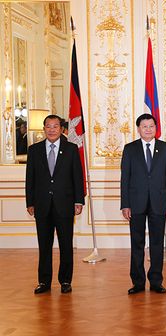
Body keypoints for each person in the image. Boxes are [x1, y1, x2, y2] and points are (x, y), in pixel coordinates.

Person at [25, 115, 84, 294]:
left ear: (62, 129)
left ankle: (65, 281)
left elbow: (77, 177)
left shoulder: (71, 149)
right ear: (44, 129)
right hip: (42, 205)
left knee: (66, 245)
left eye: (55, 126)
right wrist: (30, 202)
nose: (51, 129)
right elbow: (30, 178)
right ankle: (44, 282)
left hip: (64, 204)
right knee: (44, 245)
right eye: (48, 126)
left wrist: (78, 200)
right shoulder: (34, 150)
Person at [120, 114, 166, 295]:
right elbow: (125, 179)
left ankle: (156, 281)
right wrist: (125, 204)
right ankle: (137, 282)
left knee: (157, 243)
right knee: (137, 243)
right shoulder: (130, 149)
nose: (148, 129)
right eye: (144, 126)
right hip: (135, 203)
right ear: (138, 129)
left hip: (159, 203)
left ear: (156, 127)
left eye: (151, 126)